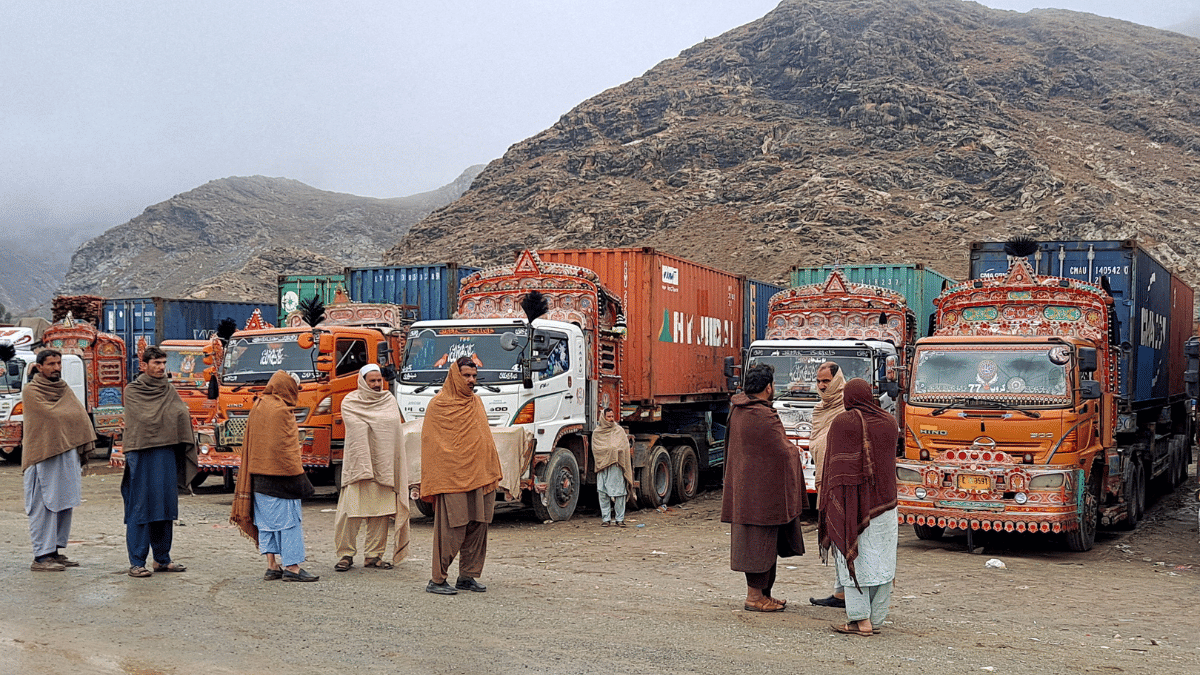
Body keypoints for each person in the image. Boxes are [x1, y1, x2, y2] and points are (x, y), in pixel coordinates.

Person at [721, 363, 806, 612]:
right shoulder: (761, 414)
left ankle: (765, 594)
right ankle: (755, 597)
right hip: (760, 495)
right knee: (758, 545)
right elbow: (781, 449)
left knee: (764, 544)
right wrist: (796, 451)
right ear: (769, 387)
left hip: (748, 490)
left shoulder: (738, 410)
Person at [818, 378, 900, 636]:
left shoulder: (843, 423)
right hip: (886, 507)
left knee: (852, 559)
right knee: (882, 562)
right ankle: (875, 620)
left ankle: (860, 620)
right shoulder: (890, 422)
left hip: (852, 506)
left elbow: (834, 466)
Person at [419, 357, 502, 595]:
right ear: (455, 376)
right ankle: (437, 579)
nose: (471, 381)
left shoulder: (476, 402)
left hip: (480, 474)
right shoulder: (439, 405)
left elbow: (483, 437)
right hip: (452, 477)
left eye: (474, 376)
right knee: (451, 528)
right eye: (466, 376)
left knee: (479, 525)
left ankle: (468, 575)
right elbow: (433, 446)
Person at [230, 370, 319, 582]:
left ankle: (272, 566)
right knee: (289, 523)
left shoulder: (259, 405)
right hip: (282, 477)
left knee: (266, 523)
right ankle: (292, 567)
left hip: (258, 477)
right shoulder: (282, 410)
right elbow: (287, 450)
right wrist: (299, 476)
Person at [121, 346, 198, 577]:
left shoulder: (169, 389)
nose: (162, 367)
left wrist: (174, 420)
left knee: (165, 506)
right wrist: (170, 420)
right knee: (141, 507)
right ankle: (137, 562)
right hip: (142, 452)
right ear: (143, 365)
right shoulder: (133, 390)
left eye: (164, 363)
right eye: (156, 363)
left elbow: (180, 414)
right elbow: (144, 419)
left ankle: (162, 559)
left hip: (166, 452)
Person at [21, 349, 96, 571]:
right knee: (43, 505)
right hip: (43, 455)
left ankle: (54, 551)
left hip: (66, 454)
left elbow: (79, 416)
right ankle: (41, 556)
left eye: (58, 363)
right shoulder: (31, 391)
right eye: (51, 364)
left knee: (63, 503)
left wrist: (70, 420)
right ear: (40, 367)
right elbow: (53, 417)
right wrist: (69, 418)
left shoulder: (64, 389)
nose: (56, 368)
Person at [333, 364, 410, 571]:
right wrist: (377, 428)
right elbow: (357, 429)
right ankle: (345, 555)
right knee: (350, 513)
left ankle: (373, 556)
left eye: (379, 381)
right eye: (372, 381)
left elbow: (392, 430)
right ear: (363, 382)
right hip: (359, 467)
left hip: (384, 465)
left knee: (381, 514)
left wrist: (374, 428)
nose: (377, 385)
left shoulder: (389, 400)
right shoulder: (350, 401)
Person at [808, 361, 848, 608]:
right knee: (834, 536)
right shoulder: (820, 410)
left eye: (827, 381)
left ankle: (847, 593)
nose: (822, 386)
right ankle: (841, 591)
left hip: (841, 483)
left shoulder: (847, 409)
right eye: (819, 381)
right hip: (825, 481)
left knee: (843, 536)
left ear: (838, 380)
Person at [591, 407, 633, 527]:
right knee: (602, 492)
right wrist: (611, 451)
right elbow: (596, 449)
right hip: (602, 466)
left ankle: (620, 519)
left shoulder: (619, 431)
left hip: (616, 465)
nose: (611, 419)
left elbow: (624, 448)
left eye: (612, 417)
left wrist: (614, 452)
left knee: (619, 493)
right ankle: (606, 519)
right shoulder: (597, 433)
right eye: (608, 417)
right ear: (603, 418)